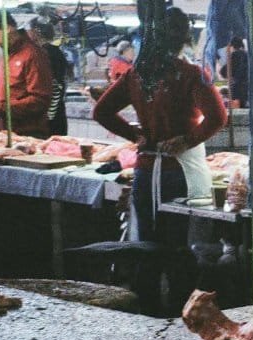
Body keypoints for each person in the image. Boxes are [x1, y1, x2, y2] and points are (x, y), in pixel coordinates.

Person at [92, 7, 227, 314]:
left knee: (146, 245)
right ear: (183, 39)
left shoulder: (137, 74)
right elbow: (219, 117)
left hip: (145, 171)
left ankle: (147, 308)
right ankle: (180, 311)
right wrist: (186, 140)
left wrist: (134, 135)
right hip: (178, 172)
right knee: (178, 247)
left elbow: (100, 111)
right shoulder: (190, 74)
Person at [0, 10, 53, 138]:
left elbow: (40, 100)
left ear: (7, 28)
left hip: (28, 136)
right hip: (6, 134)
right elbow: (10, 93)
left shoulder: (33, 55)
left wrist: (0, 108)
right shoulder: (6, 55)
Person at [29, 21, 68, 136]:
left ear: (36, 32)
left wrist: (48, 117)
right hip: (54, 114)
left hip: (49, 118)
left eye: (29, 30)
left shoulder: (46, 53)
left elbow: (54, 86)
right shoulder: (54, 52)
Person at [222, 37, 249, 108]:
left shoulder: (234, 55)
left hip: (237, 90)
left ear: (231, 46)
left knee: (237, 113)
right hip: (248, 90)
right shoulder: (248, 55)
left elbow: (223, 72)